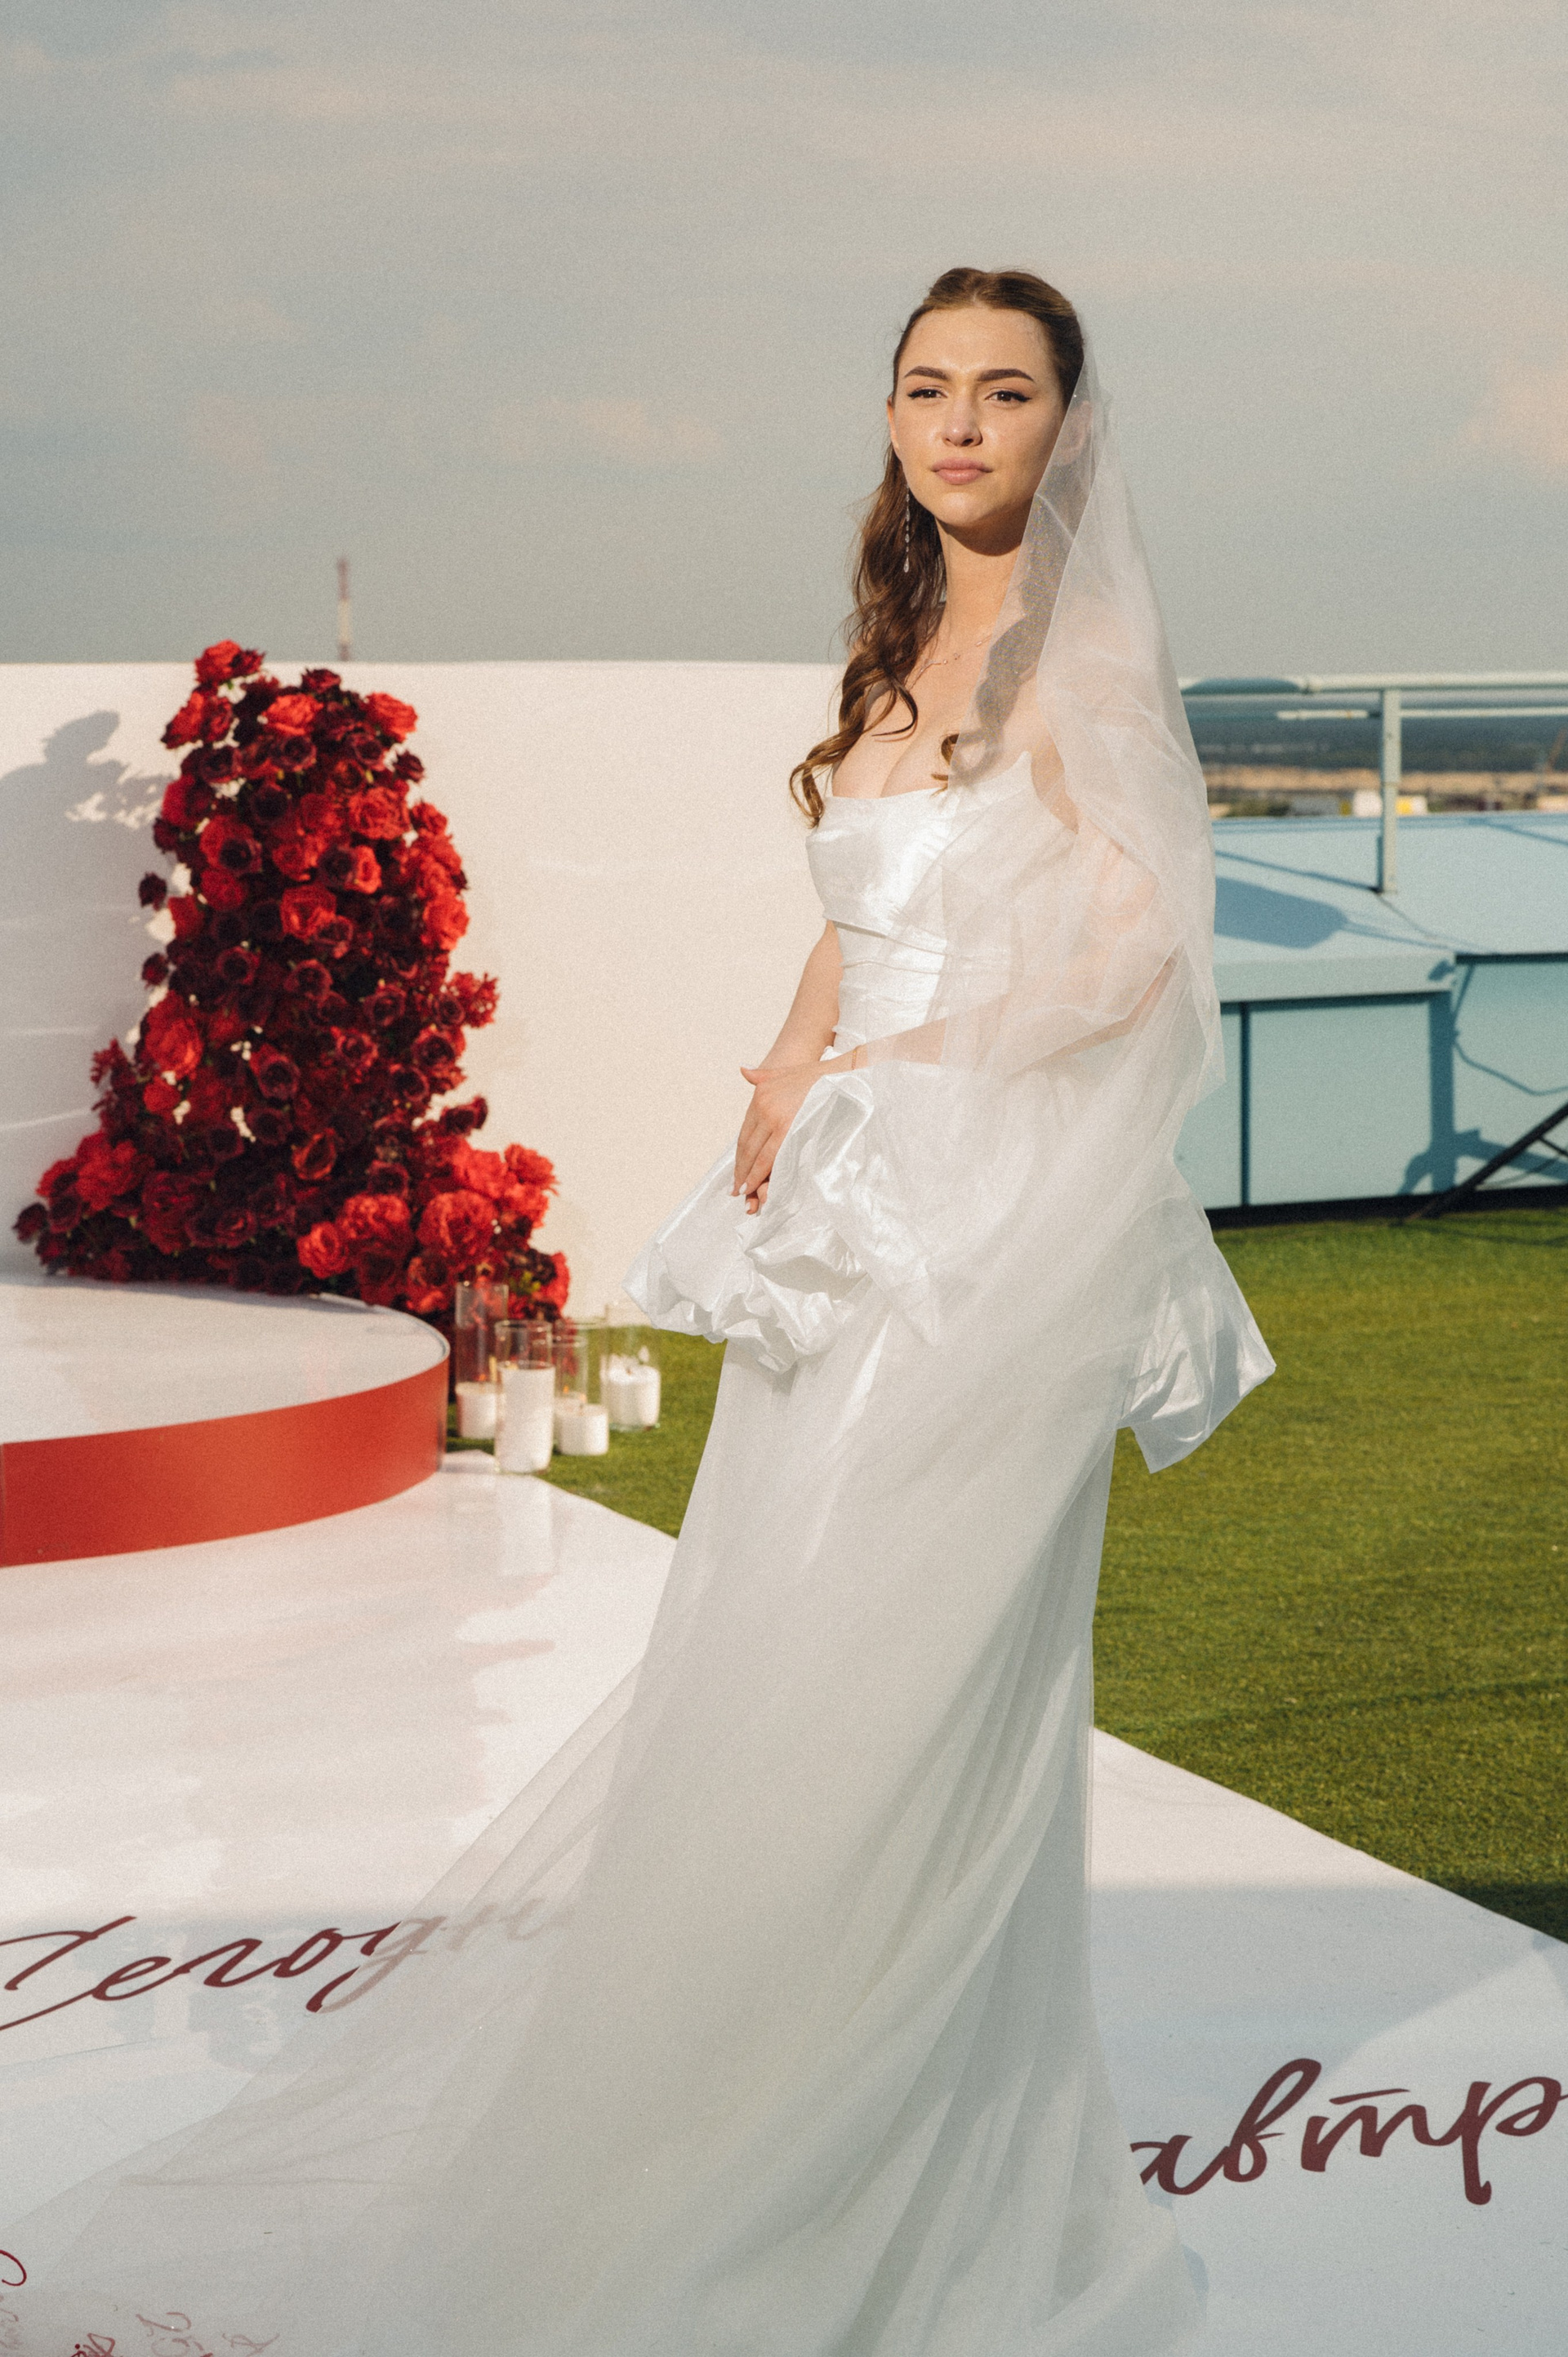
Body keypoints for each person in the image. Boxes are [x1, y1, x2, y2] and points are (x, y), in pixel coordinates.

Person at [9, 269, 1272, 2356]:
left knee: (891, 1685)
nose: (963, 424)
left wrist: (903, 1069)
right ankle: (753, 2125)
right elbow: (865, 911)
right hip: (849, 1218)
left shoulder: (1085, 658)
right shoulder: (899, 643)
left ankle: (880, 2190)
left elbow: (1133, 961)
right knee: (773, 1659)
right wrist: (798, 1063)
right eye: (929, 387)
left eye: (1007, 392)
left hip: (984, 1240)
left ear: (1070, 426)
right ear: (891, 415)